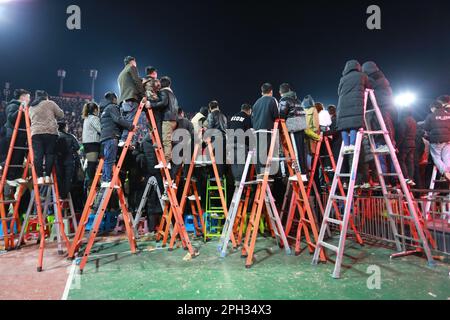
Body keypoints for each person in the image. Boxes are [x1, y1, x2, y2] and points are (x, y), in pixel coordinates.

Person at [99, 92, 135, 188]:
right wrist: (131, 126)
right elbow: (118, 119)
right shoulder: (112, 107)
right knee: (110, 159)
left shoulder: (104, 110)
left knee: (107, 159)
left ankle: (105, 179)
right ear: (114, 99)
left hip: (104, 137)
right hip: (111, 136)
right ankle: (107, 180)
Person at [29, 90, 65, 185]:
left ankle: (40, 177)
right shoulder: (50, 103)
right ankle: (48, 176)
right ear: (46, 96)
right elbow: (61, 114)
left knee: (38, 156)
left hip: (36, 132)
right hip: (50, 132)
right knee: (49, 154)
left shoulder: (31, 106)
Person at [336, 60, 371, 154]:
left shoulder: (343, 78)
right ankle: (352, 144)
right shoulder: (362, 75)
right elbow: (368, 87)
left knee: (344, 126)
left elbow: (339, 91)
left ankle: (346, 146)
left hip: (342, 104)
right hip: (355, 103)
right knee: (354, 125)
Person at [362, 61, 397, 151]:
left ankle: (386, 144)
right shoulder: (381, 77)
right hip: (388, 105)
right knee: (386, 125)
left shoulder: (371, 79)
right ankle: (389, 143)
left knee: (381, 125)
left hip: (380, 105)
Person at [278, 84, 308, 178]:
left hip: (293, 127)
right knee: (301, 150)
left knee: (296, 151)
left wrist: (279, 128)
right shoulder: (297, 100)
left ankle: (300, 174)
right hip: (301, 126)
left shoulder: (284, 100)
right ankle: (302, 171)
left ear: (280, 92)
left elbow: (281, 114)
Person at [3, 89, 31, 186]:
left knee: (19, 158)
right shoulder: (13, 105)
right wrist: (21, 109)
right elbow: (11, 118)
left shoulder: (23, 106)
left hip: (20, 136)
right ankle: (9, 177)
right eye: (28, 97)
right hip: (13, 136)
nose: (29, 99)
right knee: (13, 157)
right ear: (22, 97)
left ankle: (16, 176)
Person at [150, 76, 179, 168]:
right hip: (174, 119)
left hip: (167, 119)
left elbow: (163, 103)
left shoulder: (164, 92)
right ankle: (167, 161)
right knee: (168, 140)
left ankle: (166, 161)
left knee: (166, 140)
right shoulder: (172, 94)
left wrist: (151, 104)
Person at [252, 83, 279, 175]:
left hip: (256, 131)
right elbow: (276, 115)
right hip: (267, 130)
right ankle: (264, 173)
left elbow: (253, 117)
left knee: (260, 152)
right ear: (271, 91)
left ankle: (259, 173)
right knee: (267, 153)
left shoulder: (256, 102)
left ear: (262, 92)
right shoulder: (272, 100)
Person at [117, 56, 145, 145]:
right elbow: (136, 81)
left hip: (123, 101)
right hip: (131, 99)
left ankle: (122, 139)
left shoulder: (120, 74)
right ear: (132, 61)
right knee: (131, 120)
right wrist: (143, 94)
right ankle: (124, 139)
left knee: (126, 120)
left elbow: (130, 83)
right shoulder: (132, 67)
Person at [423, 99, 450, 181]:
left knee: (437, 158)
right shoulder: (448, 115)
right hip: (448, 140)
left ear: (433, 108)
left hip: (436, 141)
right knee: (447, 158)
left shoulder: (431, 116)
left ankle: (446, 172)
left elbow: (426, 128)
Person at [228, 103, 253, 184]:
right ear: (249, 110)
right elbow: (249, 132)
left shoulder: (233, 117)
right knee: (241, 162)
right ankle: (242, 181)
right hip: (241, 143)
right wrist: (251, 146)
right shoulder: (247, 118)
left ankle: (237, 180)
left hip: (231, 142)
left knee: (234, 162)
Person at [55, 121, 80, 199]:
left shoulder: (54, 136)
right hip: (69, 160)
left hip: (58, 160)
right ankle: (64, 195)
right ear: (64, 127)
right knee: (68, 178)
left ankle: (59, 194)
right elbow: (77, 147)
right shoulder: (70, 136)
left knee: (59, 177)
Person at [81, 101, 101, 189]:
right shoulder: (94, 118)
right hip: (92, 143)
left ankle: (90, 182)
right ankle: (91, 183)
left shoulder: (87, 118)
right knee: (92, 164)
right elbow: (100, 129)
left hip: (87, 143)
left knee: (90, 163)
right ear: (95, 109)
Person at [207, 100, 228, 178]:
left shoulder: (211, 115)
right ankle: (221, 176)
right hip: (223, 139)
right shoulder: (223, 116)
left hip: (214, 139)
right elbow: (225, 127)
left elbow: (210, 127)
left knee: (213, 159)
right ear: (217, 107)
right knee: (221, 159)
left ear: (210, 108)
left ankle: (214, 177)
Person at [398, 109, 417, 185]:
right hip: (412, 143)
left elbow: (401, 134)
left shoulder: (404, 121)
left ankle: (405, 177)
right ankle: (410, 178)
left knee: (401, 160)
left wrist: (397, 144)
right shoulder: (413, 120)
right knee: (410, 162)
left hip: (405, 143)